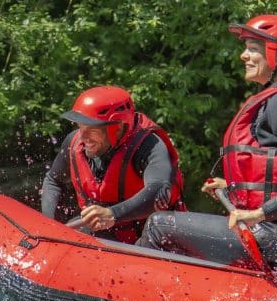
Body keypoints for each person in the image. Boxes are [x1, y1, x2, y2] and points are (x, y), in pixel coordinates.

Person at [136, 14, 277, 272]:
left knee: (158, 225)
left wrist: (259, 213)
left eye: (253, 49)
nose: (243, 56)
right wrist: (232, 186)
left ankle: (129, 298)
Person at [40, 85, 186, 244]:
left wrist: (112, 214)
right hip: (108, 233)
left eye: (93, 129)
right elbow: (53, 181)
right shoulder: (74, 142)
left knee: (156, 230)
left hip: (152, 237)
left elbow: (158, 190)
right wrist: (50, 224)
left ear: (119, 127)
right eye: (80, 126)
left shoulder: (149, 146)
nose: (83, 137)